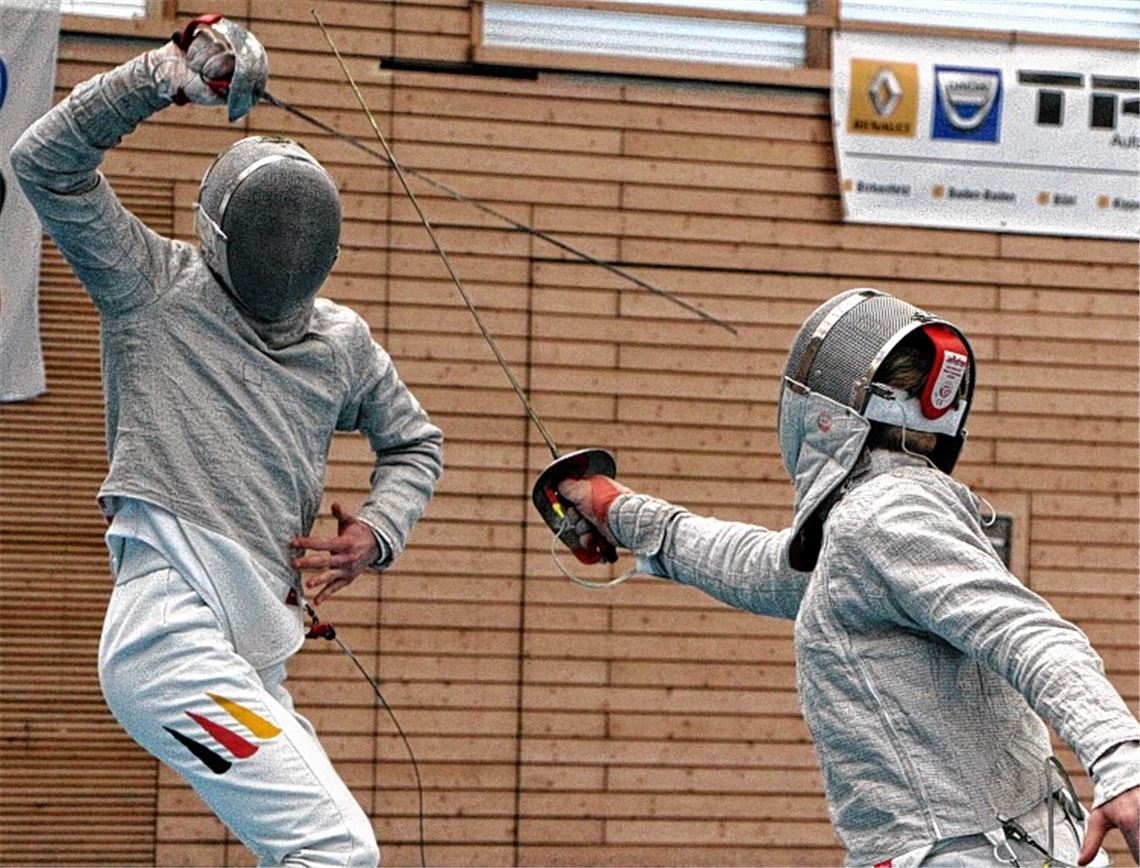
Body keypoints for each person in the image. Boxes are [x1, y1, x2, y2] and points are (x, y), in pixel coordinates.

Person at [10, 15, 442, 866]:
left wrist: (377, 531)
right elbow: (43, 161)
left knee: (330, 851)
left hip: (249, 657)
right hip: (169, 645)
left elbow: (414, 443)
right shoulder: (154, 287)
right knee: (337, 852)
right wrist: (161, 74)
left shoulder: (341, 342)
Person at [558, 288, 1140, 867]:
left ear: (823, 408)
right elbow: (763, 569)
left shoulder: (883, 514)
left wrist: (1121, 761)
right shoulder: (875, 522)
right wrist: (620, 512)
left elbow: (1028, 633)